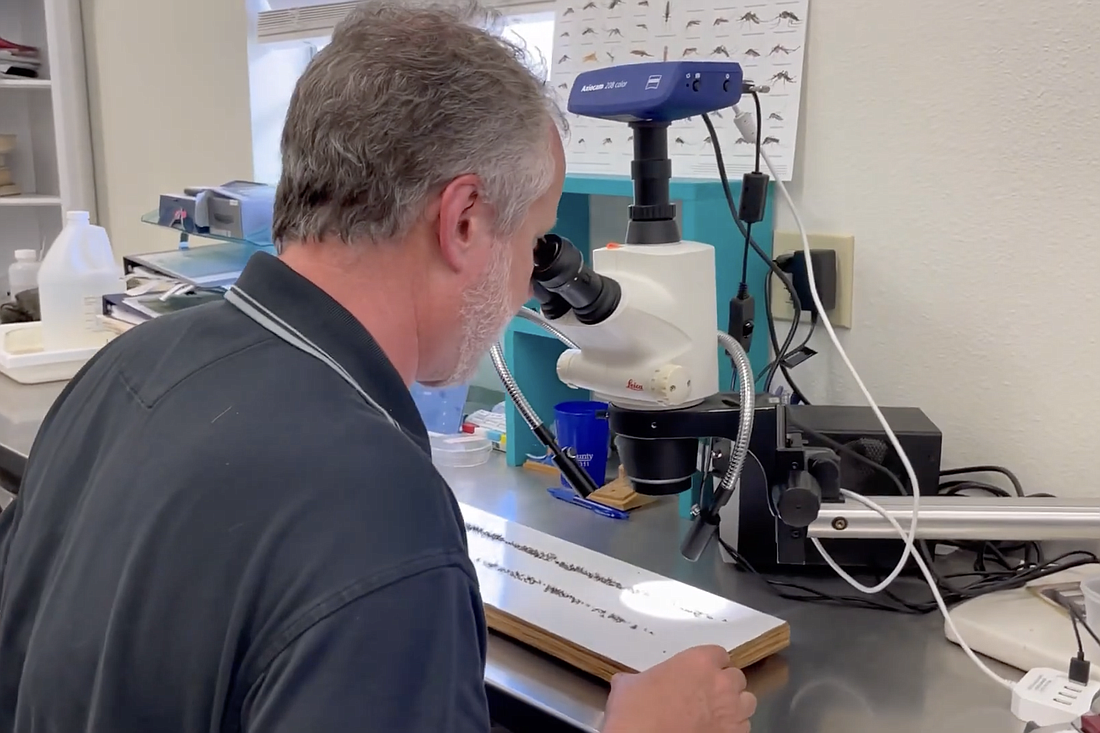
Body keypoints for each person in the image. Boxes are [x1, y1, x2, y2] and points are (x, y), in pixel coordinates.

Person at [0, 1, 757, 731]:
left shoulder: (126, 365)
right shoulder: (377, 509)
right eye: (533, 242)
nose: (530, 284)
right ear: (463, 221)